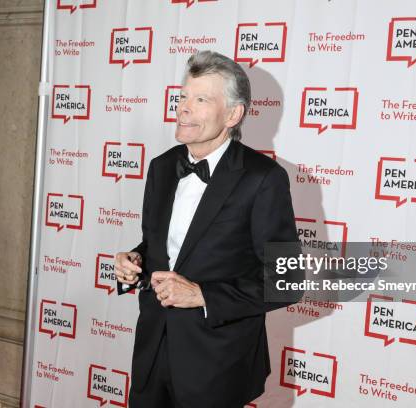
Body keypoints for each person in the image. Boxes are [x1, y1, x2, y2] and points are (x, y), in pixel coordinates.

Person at [115, 50, 298, 408]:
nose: (183, 107)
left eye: (200, 99)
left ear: (233, 114)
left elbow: (286, 282)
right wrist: (135, 262)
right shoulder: (162, 167)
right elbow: (164, 247)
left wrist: (201, 295)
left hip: (218, 364)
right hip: (152, 354)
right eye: (183, 96)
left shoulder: (263, 179)